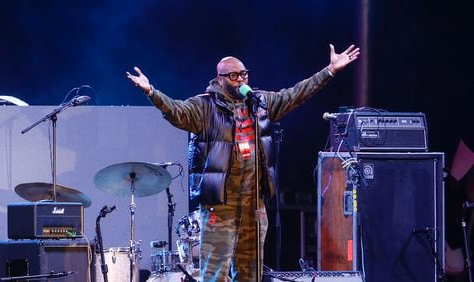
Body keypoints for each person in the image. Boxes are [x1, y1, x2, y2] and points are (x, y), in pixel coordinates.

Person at [126, 43, 359, 281]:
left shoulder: (260, 104)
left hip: (254, 205)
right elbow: (177, 111)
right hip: (221, 206)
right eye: (234, 75)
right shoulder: (205, 106)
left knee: (250, 274)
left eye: (244, 74)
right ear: (221, 78)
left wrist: (329, 71)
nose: (240, 79)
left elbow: (296, 93)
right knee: (216, 274)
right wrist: (152, 92)